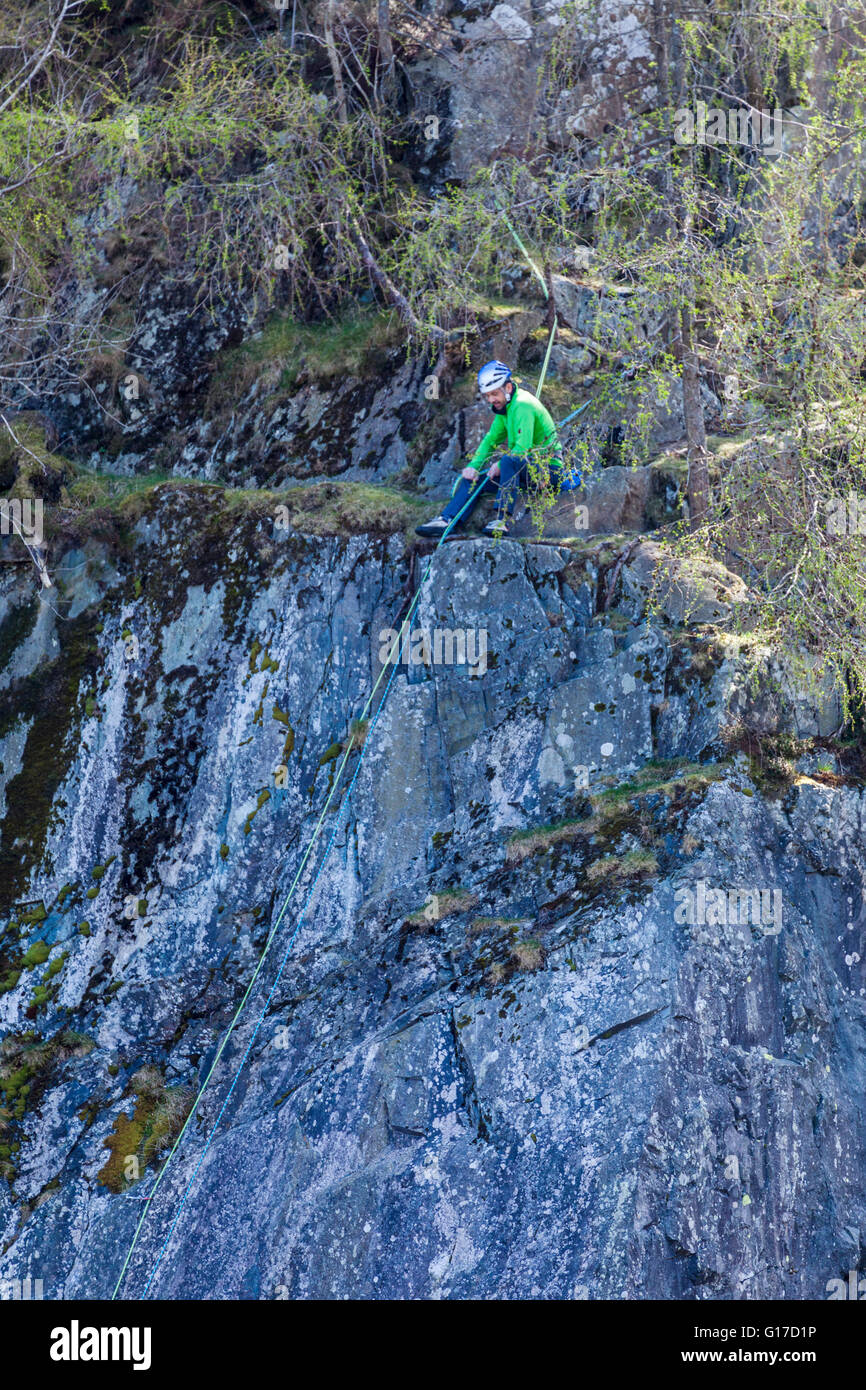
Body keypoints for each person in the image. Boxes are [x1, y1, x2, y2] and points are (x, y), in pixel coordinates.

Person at [415, 360, 564, 539]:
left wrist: (500, 463)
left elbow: (522, 449)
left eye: (494, 394)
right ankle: (448, 520)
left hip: (549, 471)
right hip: (524, 472)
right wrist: (474, 466)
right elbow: (490, 440)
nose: (491, 400)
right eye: (487, 396)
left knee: (509, 460)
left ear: (508, 388)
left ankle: (502, 521)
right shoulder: (504, 408)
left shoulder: (523, 405)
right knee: (474, 479)